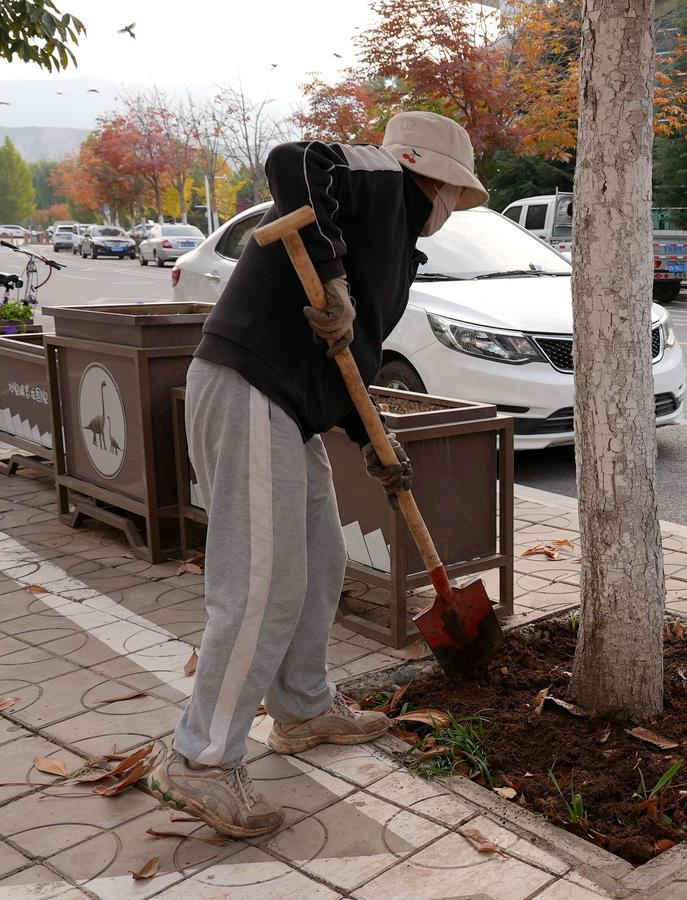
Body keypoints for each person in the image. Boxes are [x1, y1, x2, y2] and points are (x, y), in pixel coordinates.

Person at [147, 111, 488, 838]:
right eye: (455, 195)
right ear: (437, 179)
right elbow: (291, 159)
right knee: (262, 580)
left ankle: (302, 708)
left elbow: (349, 362)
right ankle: (201, 759)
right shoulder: (380, 181)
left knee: (319, 559)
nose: (453, 211)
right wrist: (331, 278)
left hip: (287, 405)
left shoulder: (394, 246)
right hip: (249, 383)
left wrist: (377, 440)